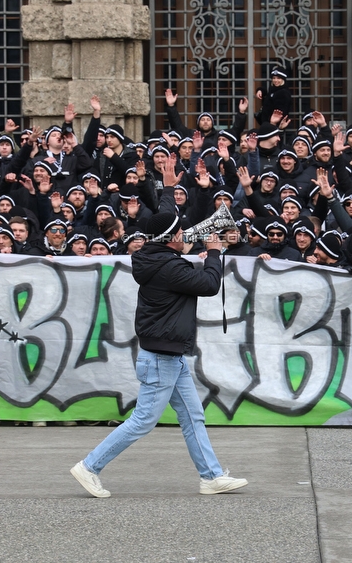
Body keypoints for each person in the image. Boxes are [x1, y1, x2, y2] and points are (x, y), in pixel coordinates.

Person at [71, 212, 248, 498]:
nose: (185, 234)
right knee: (143, 420)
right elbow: (209, 285)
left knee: (193, 417)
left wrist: (166, 188)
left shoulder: (156, 258)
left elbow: (169, 231)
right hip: (161, 358)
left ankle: (212, 477)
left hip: (168, 355)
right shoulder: (168, 267)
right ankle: (90, 466)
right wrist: (214, 253)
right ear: (170, 237)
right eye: (180, 231)